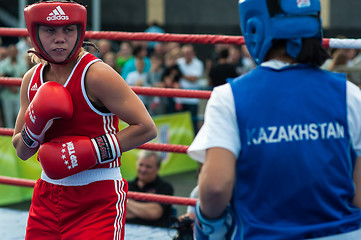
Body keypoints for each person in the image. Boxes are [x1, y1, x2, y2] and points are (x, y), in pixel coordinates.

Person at [188, 0, 361, 239]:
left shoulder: (229, 97)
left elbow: (216, 187)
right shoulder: (350, 94)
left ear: (254, 26)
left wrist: (207, 226)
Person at [12, 1, 157, 239]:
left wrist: (91, 150)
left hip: (98, 197)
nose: (60, 38)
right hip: (47, 195)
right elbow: (22, 150)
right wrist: (35, 126)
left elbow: (146, 128)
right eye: (50, 30)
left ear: (79, 32)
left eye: (68, 30)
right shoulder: (31, 80)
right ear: (35, 33)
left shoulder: (96, 75)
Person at [126, 150, 174, 228]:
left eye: (148, 167)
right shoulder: (126, 185)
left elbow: (154, 213)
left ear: (158, 168)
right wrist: (145, 211)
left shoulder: (165, 187)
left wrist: (125, 201)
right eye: (141, 165)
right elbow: (119, 213)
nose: (143, 170)